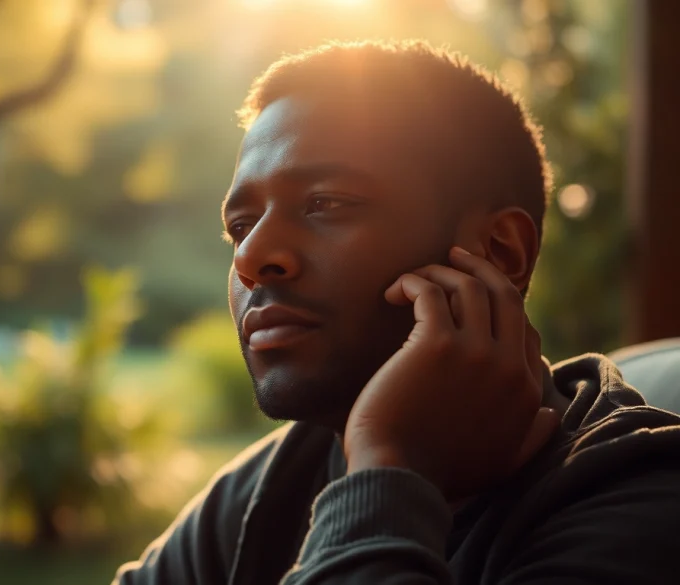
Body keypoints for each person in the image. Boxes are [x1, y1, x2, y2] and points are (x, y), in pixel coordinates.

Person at [113, 40, 680, 585]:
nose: (251, 257)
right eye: (240, 227)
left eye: (326, 204)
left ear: (500, 252)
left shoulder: (645, 509)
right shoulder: (271, 486)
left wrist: (387, 467)